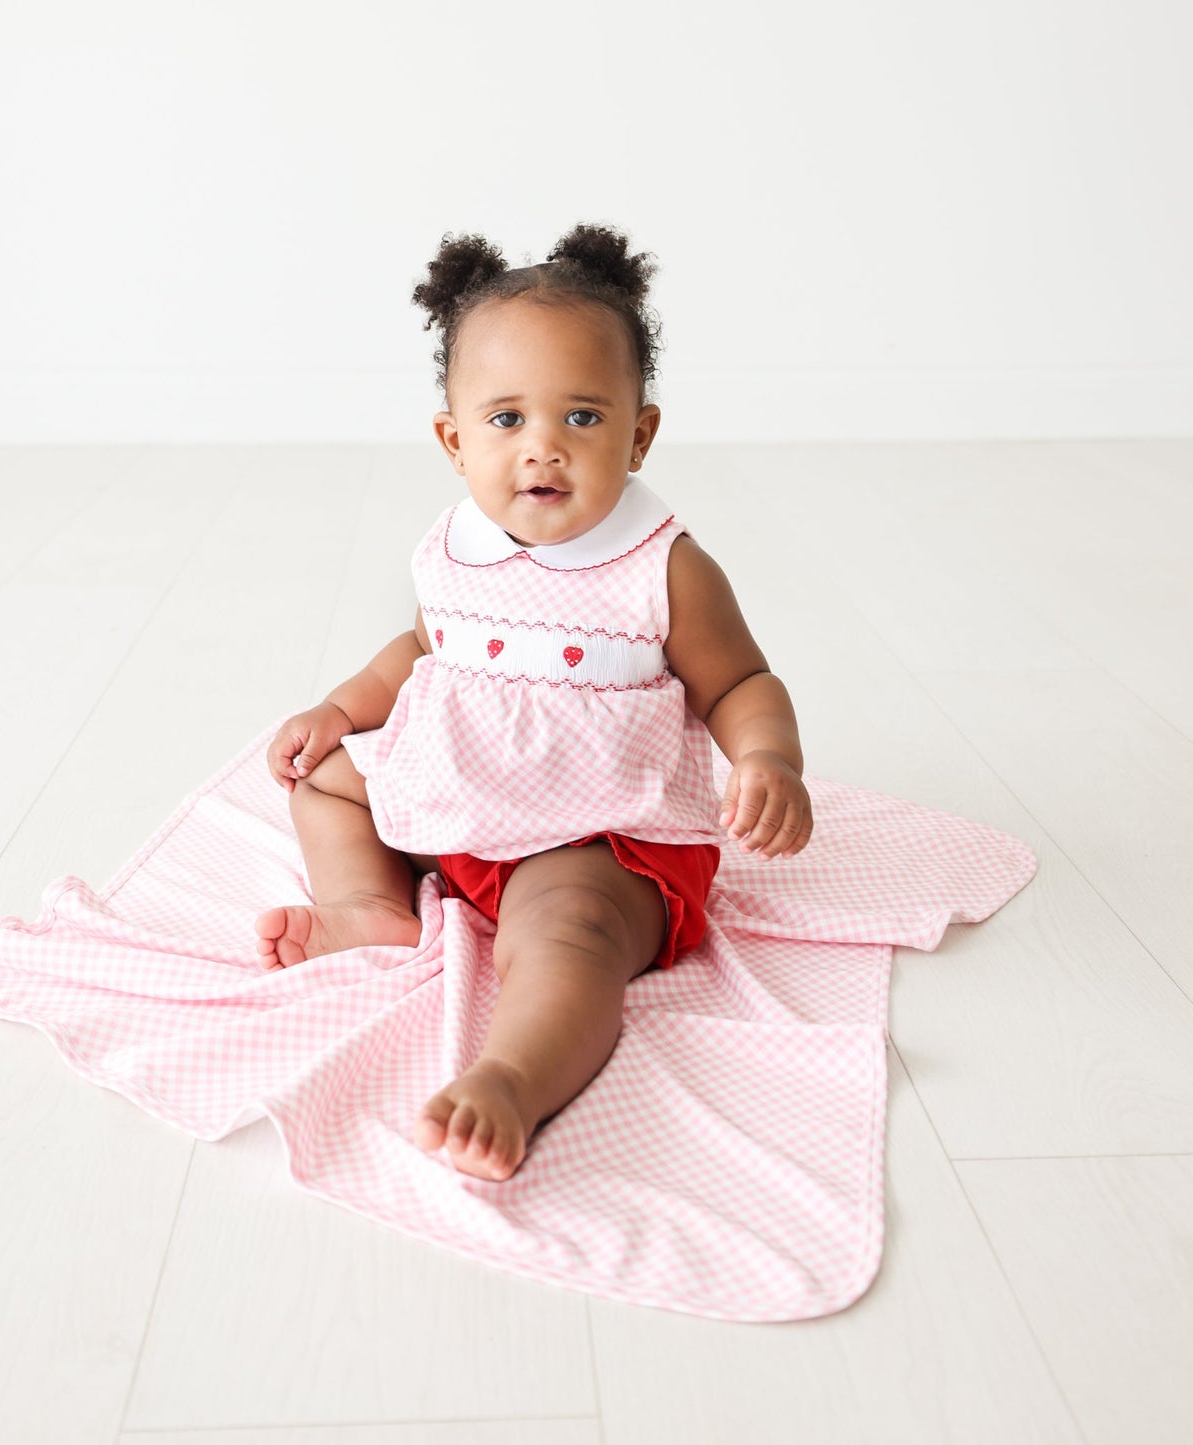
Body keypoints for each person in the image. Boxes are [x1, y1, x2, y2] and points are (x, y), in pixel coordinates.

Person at [256, 223, 813, 1182]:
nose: (542, 448)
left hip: (593, 833)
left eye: (583, 417)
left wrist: (768, 758)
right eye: (506, 419)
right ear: (454, 440)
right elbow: (423, 648)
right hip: (460, 796)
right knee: (325, 784)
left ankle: (513, 1075)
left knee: (572, 936)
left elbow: (738, 683)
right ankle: (368, 905)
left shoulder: (662, 568)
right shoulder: (454, 547)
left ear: (639, 434)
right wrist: (342, 711)